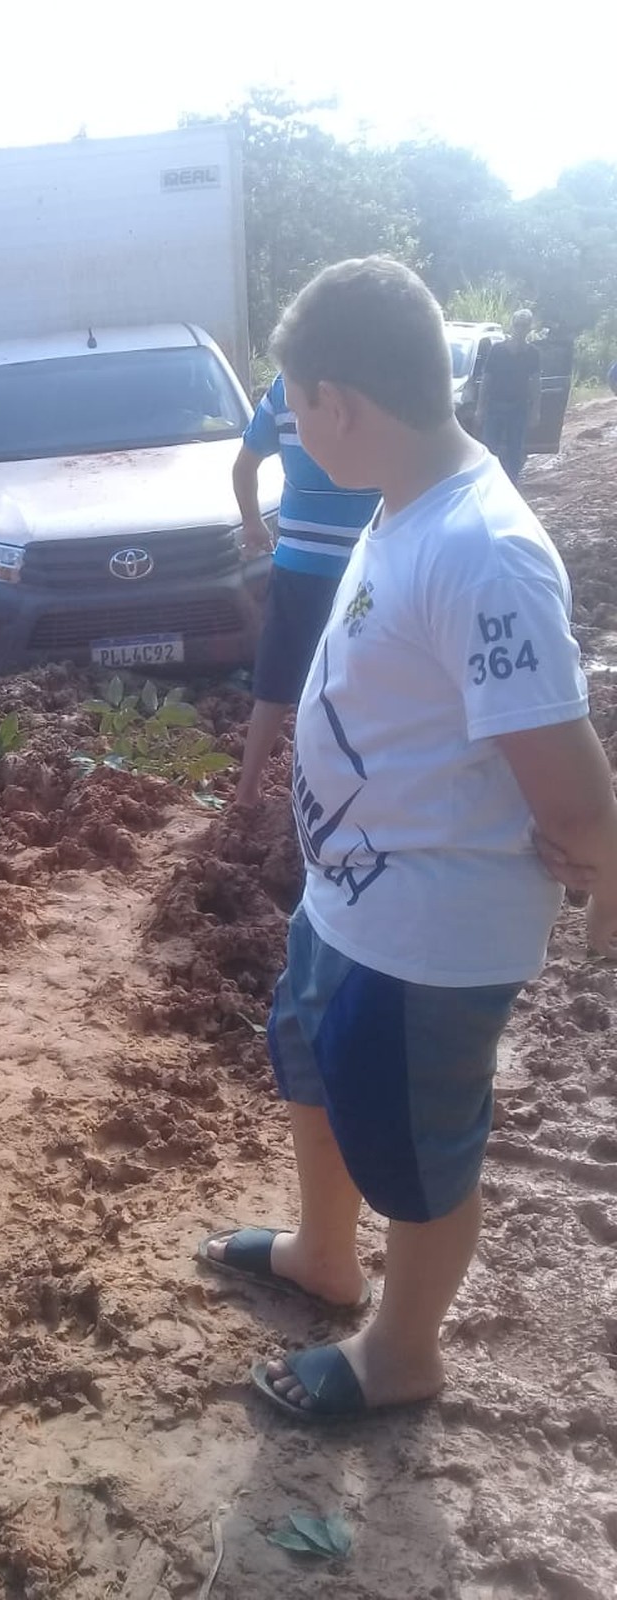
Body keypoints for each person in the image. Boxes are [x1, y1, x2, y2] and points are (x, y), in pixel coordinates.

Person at [196, 256, 617, 1423]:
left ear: (338, 402)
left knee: (420, 1151)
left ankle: (401, 1351)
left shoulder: (483, 549)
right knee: (315, 1067)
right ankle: (323, 1254)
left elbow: (575, 788)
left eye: (289, 408)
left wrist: (604, 868)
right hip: (349, 899)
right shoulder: (404, 507)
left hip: (431, 934)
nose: (287, 433)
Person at [232, 375, 380, 806]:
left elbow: (244, 464)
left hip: (302, 565)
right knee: (360, 682)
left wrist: (252, 522)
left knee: (276, 683)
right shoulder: (369, 377)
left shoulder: (285, 386)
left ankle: (248, 790)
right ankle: (355, 791)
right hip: (367, 567)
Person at [477, 308, 541, 484]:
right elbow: (487, 379)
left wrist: (536, 410)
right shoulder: (497, 350)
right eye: (517, 325)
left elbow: (535, 383)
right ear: (512, 326)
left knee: (515, 452)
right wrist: (480, 408)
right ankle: (486, 483)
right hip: (495, 406)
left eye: (524, 326)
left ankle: (511, 484)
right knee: (489, 449)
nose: (520, 329)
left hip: (518, 408)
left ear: (529, 328)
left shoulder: (533, 354)